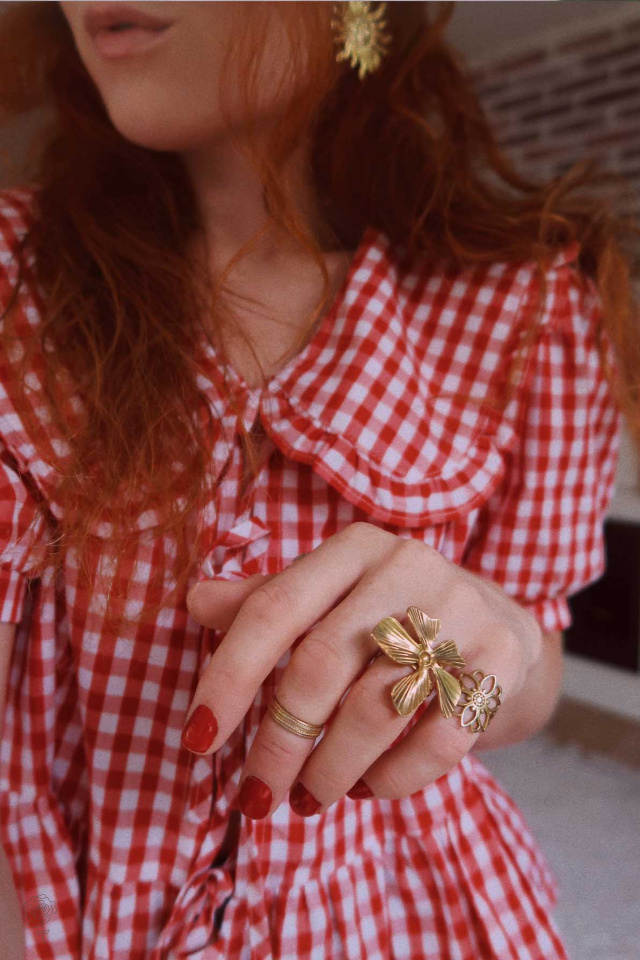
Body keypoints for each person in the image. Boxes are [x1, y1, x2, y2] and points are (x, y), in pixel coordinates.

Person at [0, 2, 638, 958]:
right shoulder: (14, 276)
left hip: (407, 909)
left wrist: (484, 633)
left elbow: (534, 672)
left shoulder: (529, 308)